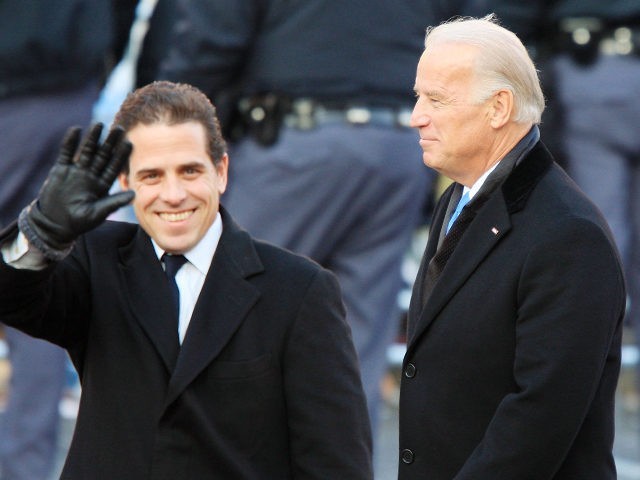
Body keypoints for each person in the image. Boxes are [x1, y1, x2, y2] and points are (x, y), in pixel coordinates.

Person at [0, 81, 372, 479]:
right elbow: (13, 297)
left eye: (190, 171)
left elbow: (336, 463)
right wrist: (43, 229)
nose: (173, 194)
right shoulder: (96, 260)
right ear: (126, 184)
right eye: (152, 176)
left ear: (221, 172)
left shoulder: (298, 289)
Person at [156, 0, 461, 440]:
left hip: (297, 144)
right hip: (397, 138)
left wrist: (167, 133)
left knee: (232, 328)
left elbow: (212, 39)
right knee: (351, 349)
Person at [399, 15, 626, 479]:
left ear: (499, 108)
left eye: (436, 99)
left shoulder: (569, 235)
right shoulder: (460, 197)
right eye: (418, 96)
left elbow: (538, 419)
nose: (417, 115)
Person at [0, 2, 139, 479]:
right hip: (65, 89)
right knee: (43, 265)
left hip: (45, 83)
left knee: (43, 264)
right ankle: (26, 468)